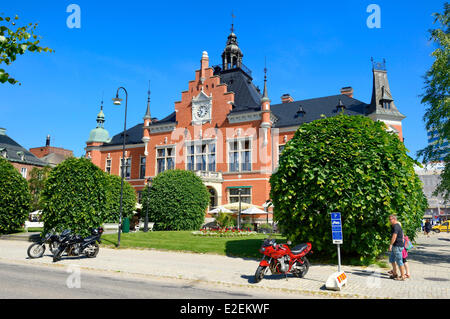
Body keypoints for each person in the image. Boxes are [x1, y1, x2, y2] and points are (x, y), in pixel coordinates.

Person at [388, 215, 406, 281]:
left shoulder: (396, 226)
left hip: (397, 246)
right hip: (395, 246)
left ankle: (402, 276)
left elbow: (394, 237)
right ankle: (395, 274)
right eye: (389, 219)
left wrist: (390, 245)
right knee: (392, 259)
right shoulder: (395, 226)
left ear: (394, 219)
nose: (389, 221)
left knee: (399, 261)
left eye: (390, 219)